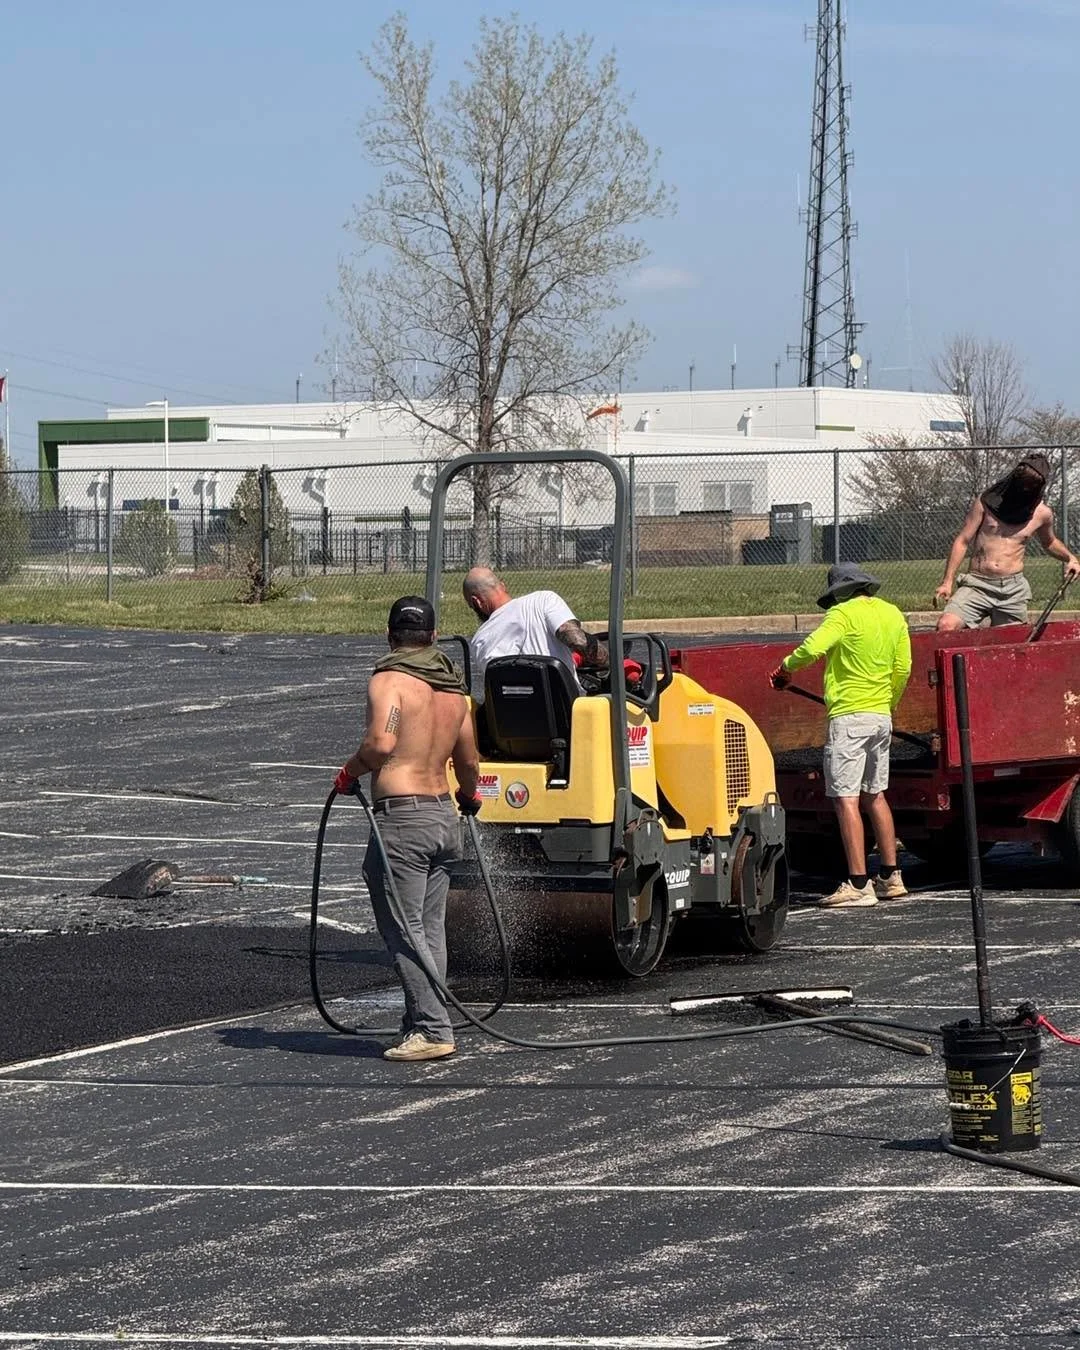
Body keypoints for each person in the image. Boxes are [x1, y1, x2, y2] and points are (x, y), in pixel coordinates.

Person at [334, 595, 482, 1063]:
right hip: (443, 816)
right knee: (429, 927)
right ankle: (423, 1020)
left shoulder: (390, 681)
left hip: (404, 819)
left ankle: (432, 1028)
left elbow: (382, 742)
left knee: (404, 928)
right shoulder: (454, 692)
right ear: (434, 637)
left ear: (389, 636)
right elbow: (469, 762)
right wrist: (468, 796)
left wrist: (350, 771)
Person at [769, 563, 912, 908]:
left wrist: (785, 668)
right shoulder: (892, 614)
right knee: (875, 794)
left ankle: (858, 883)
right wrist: (888, 702)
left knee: (845, 798)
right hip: (880, 715)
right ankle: (891, 876)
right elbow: (903, 666)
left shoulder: (841, 616)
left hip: (849, 716)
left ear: (839, 592)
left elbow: (811, 649)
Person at [935, 453, 1080, 631]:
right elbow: (963, 540)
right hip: (977, 584)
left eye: (1030, 486)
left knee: (1009, 645)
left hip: (1012, 591)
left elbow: (1049, 542)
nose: (1024, 490)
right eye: (1022, 484)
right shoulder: (986, 502)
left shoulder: (1042, 514)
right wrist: (947, 581)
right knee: (946, 626)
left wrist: (1070, 558)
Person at [462, 568, 610, 684]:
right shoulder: (543, 600)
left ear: (477, 602)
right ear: (503, 586)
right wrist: (611, 662)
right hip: (566, 711)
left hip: (512, 718)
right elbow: (576, 640)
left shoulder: (479, 641)